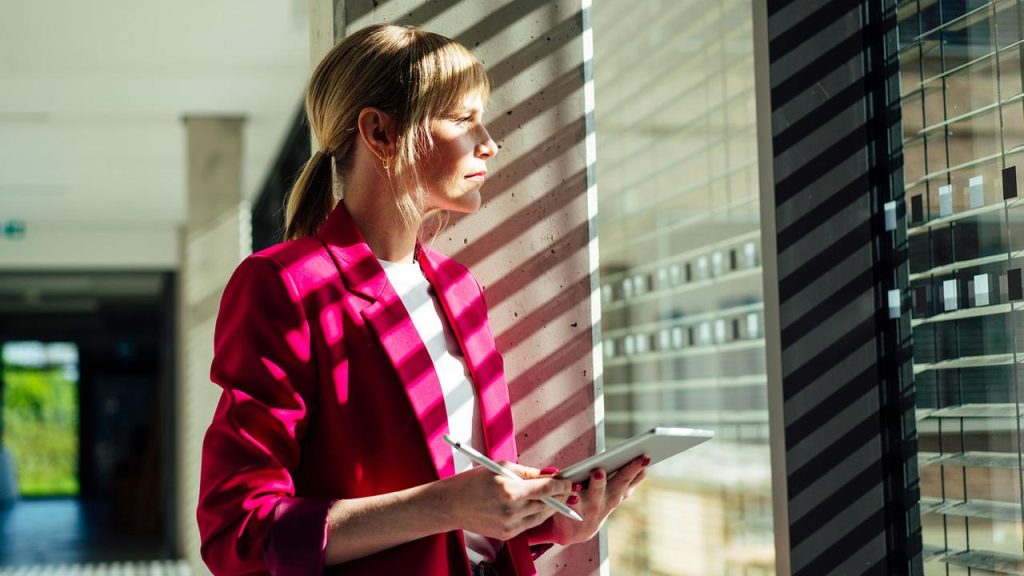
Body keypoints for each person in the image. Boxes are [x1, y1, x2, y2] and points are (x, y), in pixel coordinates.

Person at [196, 23, 647, 576]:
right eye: (462, 118)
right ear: (380, 132)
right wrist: (446, 503)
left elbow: (466, 528)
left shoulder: (459, 290)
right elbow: (237, 532)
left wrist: (550, 519)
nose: (489, 142)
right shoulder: (285, 284)